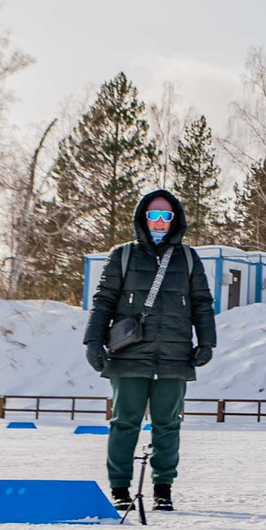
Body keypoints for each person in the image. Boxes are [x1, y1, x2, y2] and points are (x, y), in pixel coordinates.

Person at [83, 188, 216, 513]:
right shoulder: (123, 255)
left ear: (175, 220)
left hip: (174, 354)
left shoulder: (187, 258)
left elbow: (202, 302)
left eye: (166, 216)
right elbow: (103, 300)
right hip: (129, 353)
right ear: (143, 217)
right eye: (153, 215)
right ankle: (119, 487)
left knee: (168, 423)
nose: (159, 222)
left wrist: (207, 341)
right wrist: (92, 340)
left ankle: (163, 487)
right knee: (124, 422)